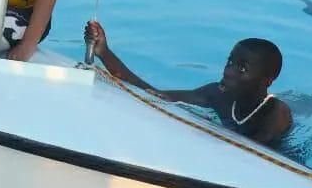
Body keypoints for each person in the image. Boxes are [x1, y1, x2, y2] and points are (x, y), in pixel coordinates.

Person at [85, 21, 293, 146]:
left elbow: (253, 159)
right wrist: (104, 52)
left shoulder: (275, 116)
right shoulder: (218, 95)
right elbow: (154, 94)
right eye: (229, 61)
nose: (228, 71)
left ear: (266, 81)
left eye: (242, 68)